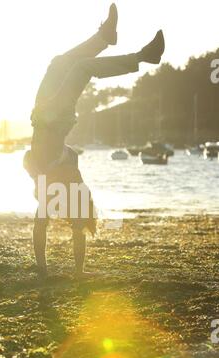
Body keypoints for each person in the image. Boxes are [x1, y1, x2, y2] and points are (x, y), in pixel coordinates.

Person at [24, 3, 165, 279]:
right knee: (80, 70)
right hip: (52, 119)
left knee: (58, 64)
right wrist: (79, 273)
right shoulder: (68, 184)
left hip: (43, 116)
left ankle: (104, 38)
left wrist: (42, 269)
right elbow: (67, 226)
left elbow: (38, 227)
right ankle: (143, 56)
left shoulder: (46, 192)